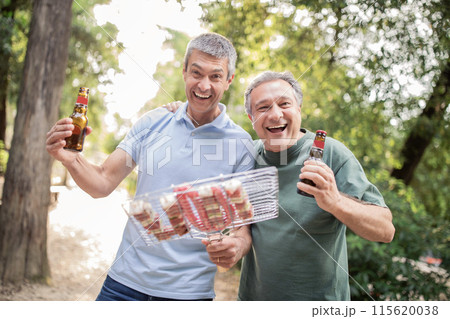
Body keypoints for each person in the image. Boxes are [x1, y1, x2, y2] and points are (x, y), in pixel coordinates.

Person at [46, 32, 255, 301]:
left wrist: (236, 247)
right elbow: (101, 183)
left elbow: (243, 230)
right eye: (196, 73)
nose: (204, 85)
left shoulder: (241, 144)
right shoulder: (153, 122)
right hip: (123, 285)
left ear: (228, 81)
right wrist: (71, 159)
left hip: (188, 296)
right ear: (183, 72)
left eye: (215, 76)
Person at [237, 71, 395, 300]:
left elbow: (385, 230)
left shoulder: (331, 153)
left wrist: (335, 201)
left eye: (284, 104)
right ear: (252, 118)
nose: (275, 114)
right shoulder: (246, 157)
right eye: (263, 108)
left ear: (299, 110)